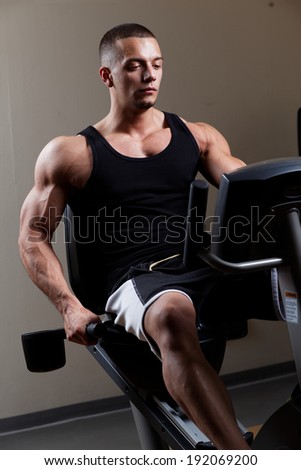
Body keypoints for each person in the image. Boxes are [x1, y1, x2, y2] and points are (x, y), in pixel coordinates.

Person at [19, 23, 251, 449]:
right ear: (107, 76)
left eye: (157, 65)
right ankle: (238, 456)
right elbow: (32, 238)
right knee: (171, 313)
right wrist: (69, 307)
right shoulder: (73, 153)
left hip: (201, 267)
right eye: (136, 66)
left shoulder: (196, 136)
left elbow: (254, 188)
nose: (150, 75)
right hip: (135, 280)